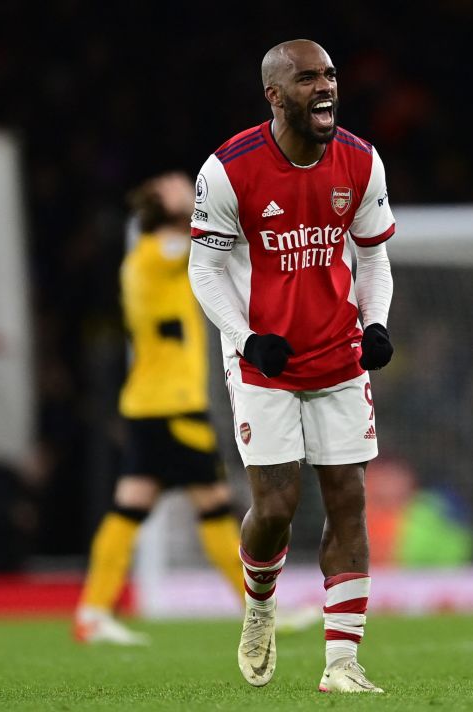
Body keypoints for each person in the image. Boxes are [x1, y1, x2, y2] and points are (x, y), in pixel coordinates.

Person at [188, 39, 395, 693]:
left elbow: (372, 257)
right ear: (274, 95)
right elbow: (205, 267)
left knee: (349, 498)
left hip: (337, 352)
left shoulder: (361, 161)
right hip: (264, 360)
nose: (325, 87)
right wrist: (246, 338)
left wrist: (376, 322)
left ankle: (342, 663)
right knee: (276, 506)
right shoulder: (228, 170)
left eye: (330, 75)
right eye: (307, 79)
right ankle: (260, 603)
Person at [74, 173, 245, 645]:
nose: (187, 187)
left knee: (129, 507)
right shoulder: (161, 251)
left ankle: (91, 613)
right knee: (215, 506)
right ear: (158, 203)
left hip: (150, 406)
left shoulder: (152, 255)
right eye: (176, 186)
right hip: (173, 407)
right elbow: (205, 241)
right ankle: (259, 612)